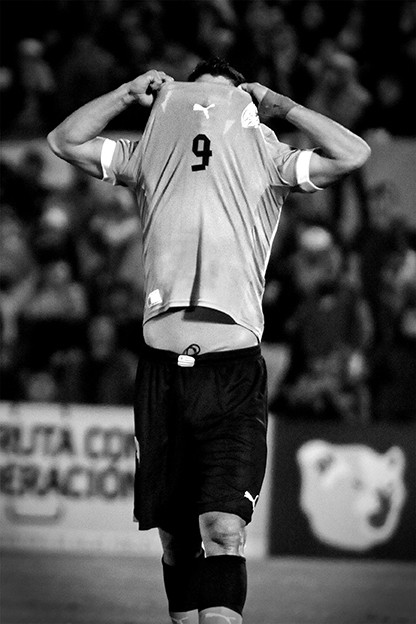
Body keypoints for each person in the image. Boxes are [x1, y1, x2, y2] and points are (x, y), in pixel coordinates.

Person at [47, 57, 370, 624]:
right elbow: (64, 140)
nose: (205, 114)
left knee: (223, 530)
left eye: (221, 101)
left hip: (232, 374)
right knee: (175, 542)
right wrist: (127, 91)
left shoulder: (268, 157)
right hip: (162, 373)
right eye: (195, 99)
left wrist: (283, 108)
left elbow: (353, 154)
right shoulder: (149, 151)